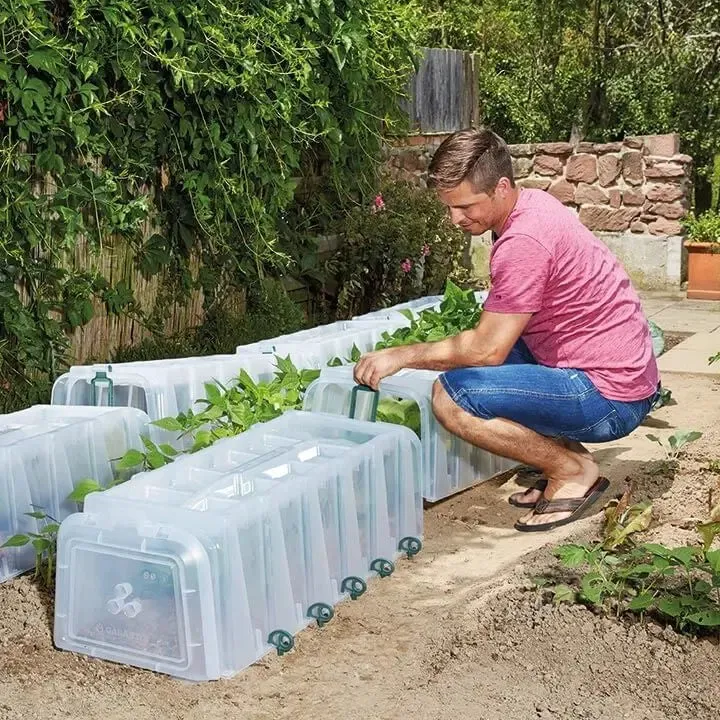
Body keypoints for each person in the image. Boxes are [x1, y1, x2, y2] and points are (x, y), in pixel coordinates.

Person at [353, 128, 660, 532]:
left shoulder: (525, 240)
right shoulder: (531, 203)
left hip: (611, 396)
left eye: (465, 206)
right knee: (491, 360)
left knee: (453, 397)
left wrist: (402, 354)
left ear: (500, 187)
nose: (455, 219)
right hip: (612, 372)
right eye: (448, 207)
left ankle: (568, 471)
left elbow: (486, 351)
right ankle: (570, 463)